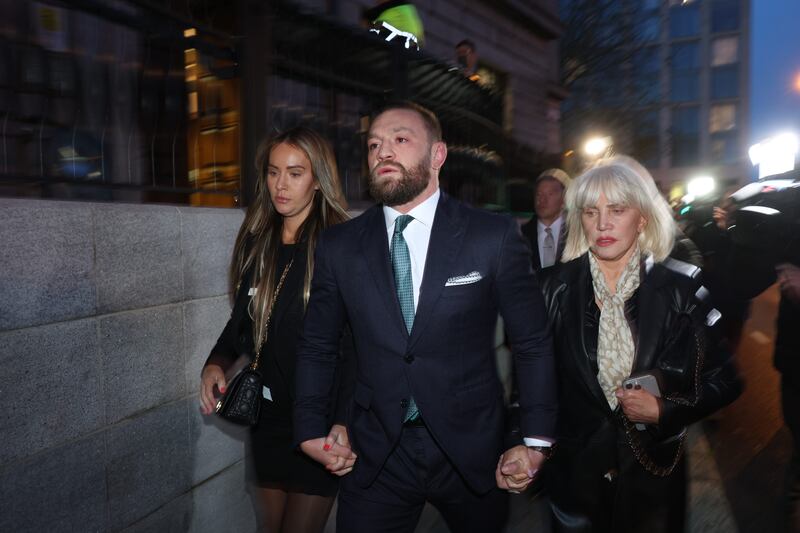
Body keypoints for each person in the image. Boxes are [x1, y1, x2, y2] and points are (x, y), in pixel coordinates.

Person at [293, 101, 557, 532]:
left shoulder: (492, 237)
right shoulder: (338, 246)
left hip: (473, 451)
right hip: (376, 452)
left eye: (400, 140)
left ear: (437, 155)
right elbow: (319, 344)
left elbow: (533, 342)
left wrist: (535, 440)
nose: (383, 152)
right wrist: (309, 427)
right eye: (374, 144)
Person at [521, 156, 742, 532]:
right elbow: (528, 386)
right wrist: (522, 444)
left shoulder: (683, 289)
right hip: (574, 481)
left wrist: (664, 410)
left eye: (617, 210)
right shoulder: (550, 290)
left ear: (642, 218)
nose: (603, 223)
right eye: (591, 212)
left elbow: (726, 381)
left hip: (652, 481)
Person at [198, 126, 352, 533]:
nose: (280, 185)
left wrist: (343, 421)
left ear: (318, 179)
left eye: (295, 173)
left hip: (319, 418)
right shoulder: (258, 241)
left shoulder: (340, 245)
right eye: (273, 172)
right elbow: (242, 325)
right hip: (267, 420)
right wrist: (215, 363)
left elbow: (358, 346)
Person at [520, 168, 571, 272]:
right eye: (539, 194)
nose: (542, 200)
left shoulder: (576, 234)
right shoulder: (520, 235)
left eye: (550, 194)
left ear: (564, 199)